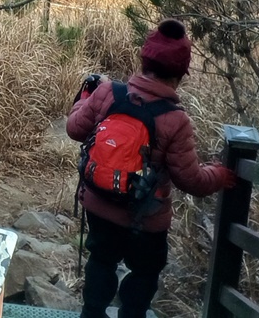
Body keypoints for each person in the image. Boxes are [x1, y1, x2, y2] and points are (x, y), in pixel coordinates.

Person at [66, 19, 237, 318]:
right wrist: (220, 175)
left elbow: (74, 129)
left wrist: (84, 99)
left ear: (143, 60)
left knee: (101, 260)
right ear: (179, 75)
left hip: (99, 203)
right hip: (145, 219)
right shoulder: (176, 120)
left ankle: (92, 313)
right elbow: (191, 180)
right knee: (145, 272)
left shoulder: (107, 93)